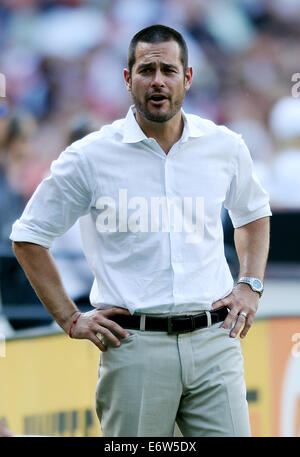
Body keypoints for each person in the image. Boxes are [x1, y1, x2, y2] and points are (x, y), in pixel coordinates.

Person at [10, 25, 271, 437]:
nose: (158, 81)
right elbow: (28, 237)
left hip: (214, 341)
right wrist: (71, 318)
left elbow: (254, 214)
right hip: (134, 346)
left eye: (168, 69)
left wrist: (250, 285)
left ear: (187, 77)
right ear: (127, 78)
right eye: (146, 70)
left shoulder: (224, 146)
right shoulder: (90, 157)